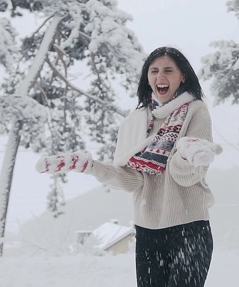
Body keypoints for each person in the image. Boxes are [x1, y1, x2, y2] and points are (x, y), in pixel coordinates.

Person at [36, 46, 222, 287]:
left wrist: (186, 156)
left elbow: (185, 177)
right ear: (147, 77)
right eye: (154, 71)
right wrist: (92, 167)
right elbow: (133, 180)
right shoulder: (136, 122)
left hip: (189, 230)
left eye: (168, 70)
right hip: (148, 234)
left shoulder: (195, 111)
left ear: (182, 76)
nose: (160, 77)